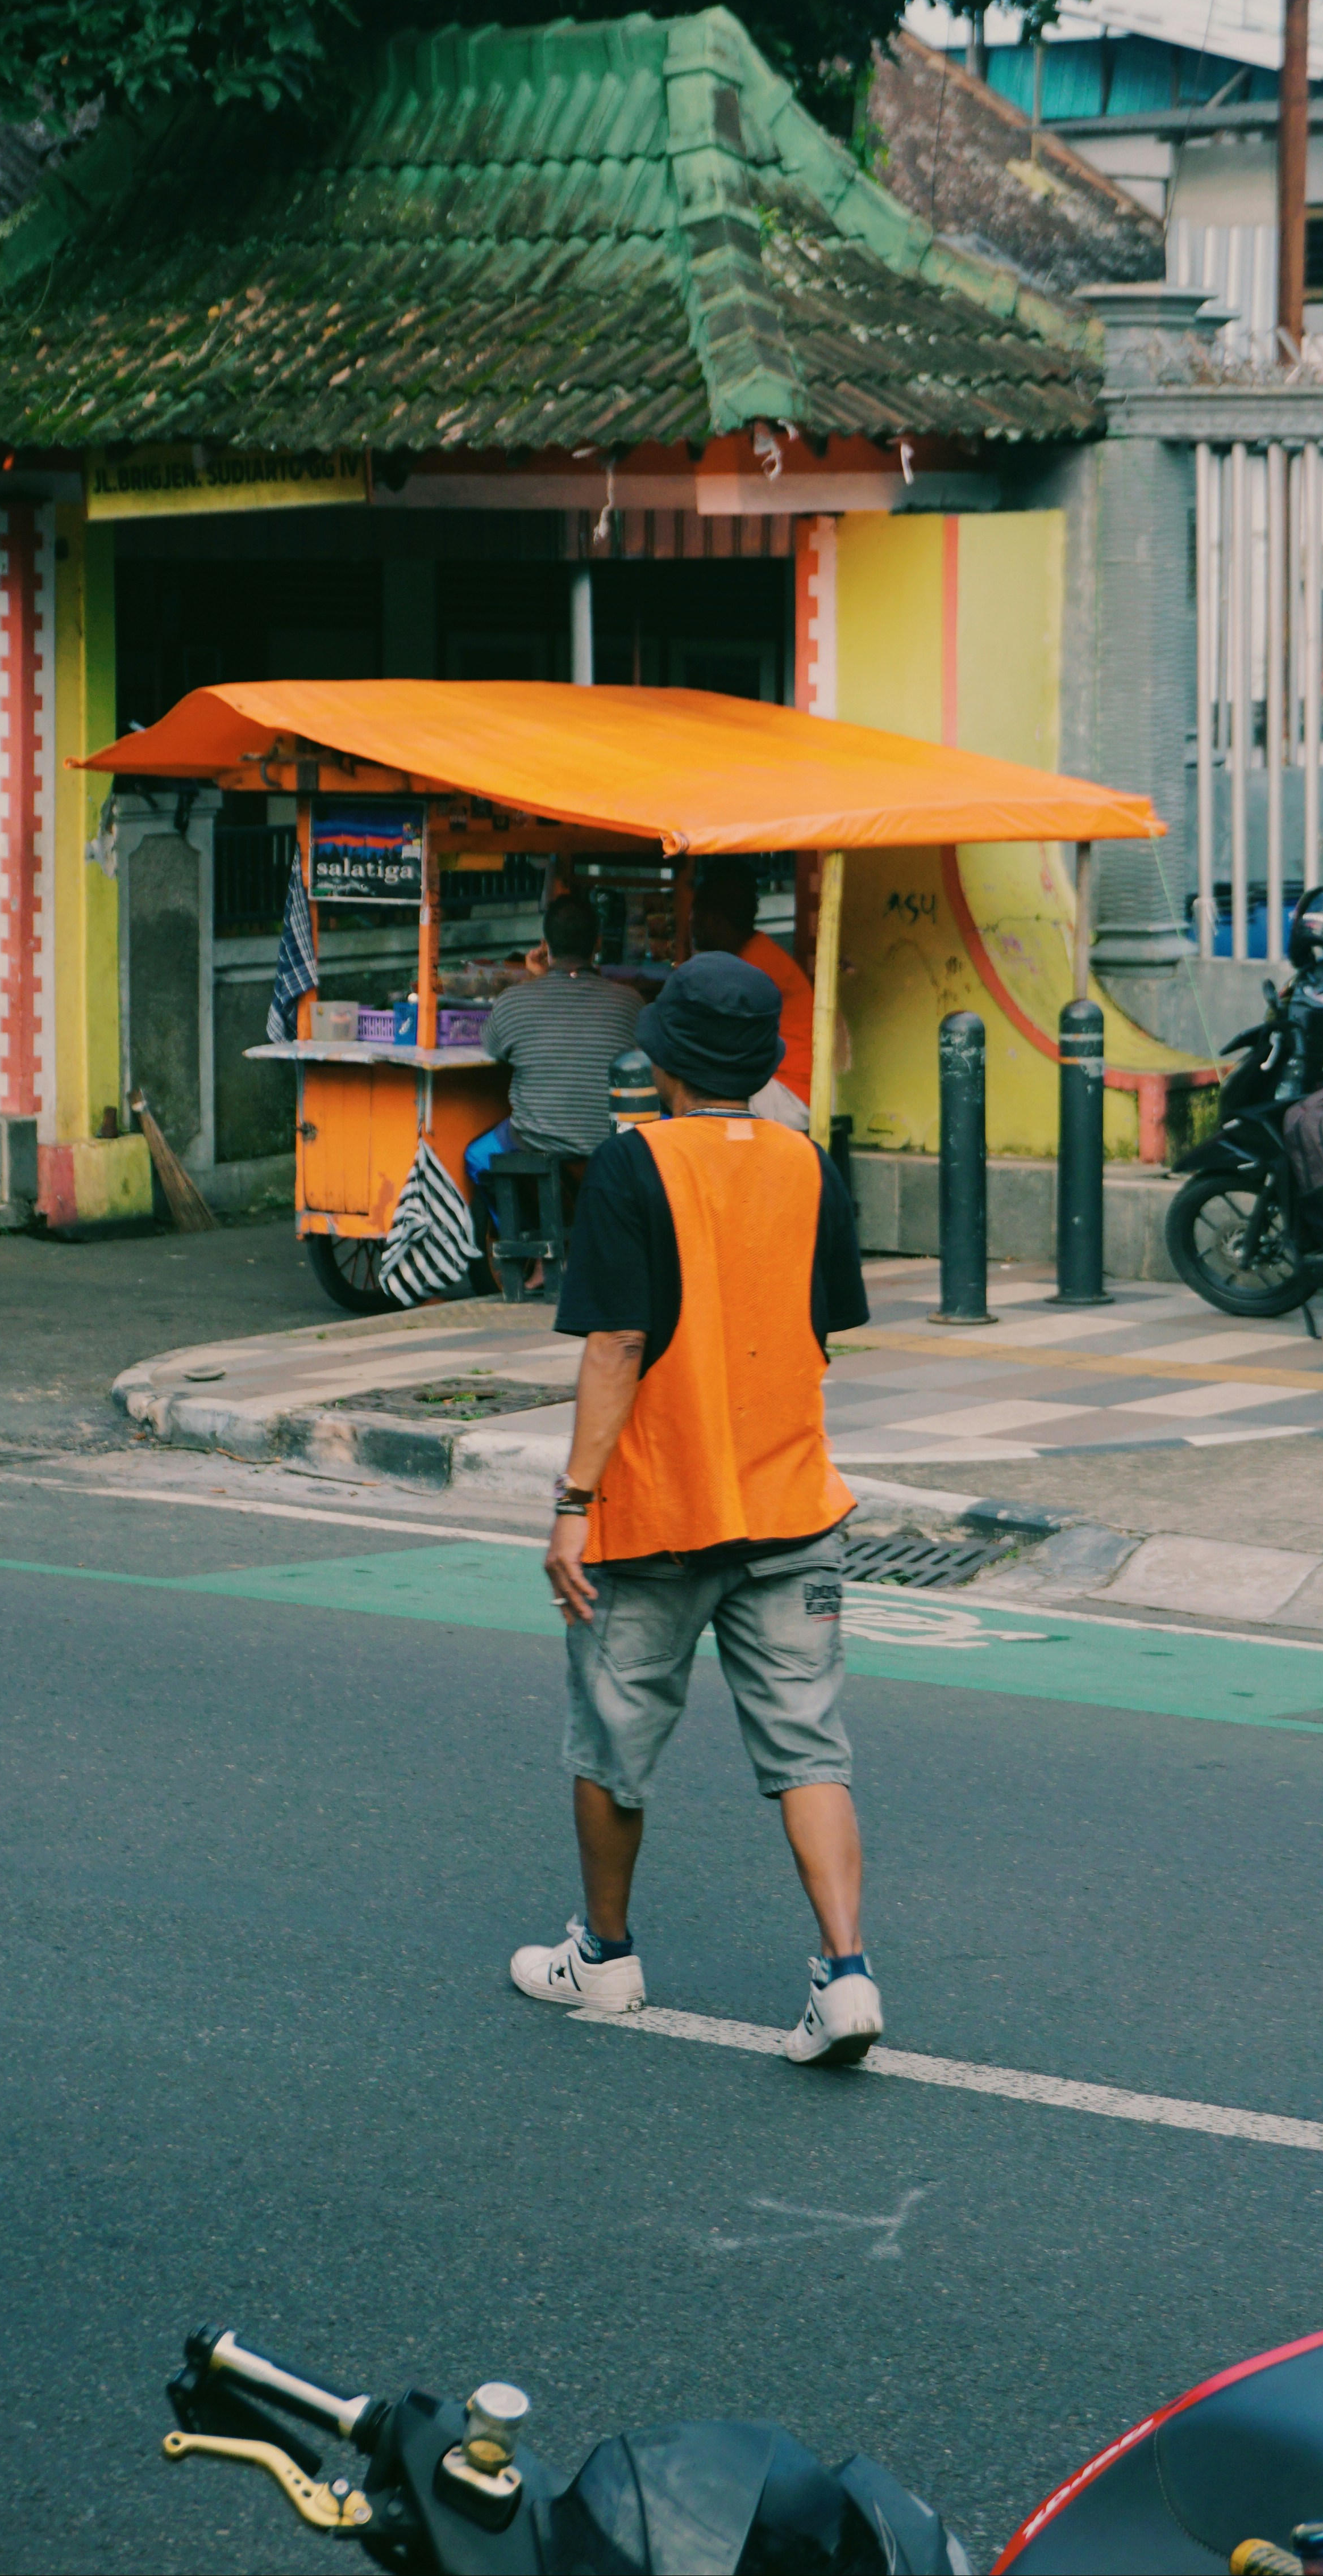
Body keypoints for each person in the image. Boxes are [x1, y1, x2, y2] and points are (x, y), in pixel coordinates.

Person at [509, 951, 880, 2068]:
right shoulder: (809, 1165)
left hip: (658, 1508)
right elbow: (822, 1328)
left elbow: (616, 1343)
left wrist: (571, 1502)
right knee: (808, 1749)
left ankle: (607, 1957)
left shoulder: (632, 1168)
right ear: (764, 1066)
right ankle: (845, 1973)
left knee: (612, 1741)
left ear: (660, 1059)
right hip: (791, 1502)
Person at [466, 891, 635, 1228]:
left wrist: (534, 981)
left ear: (544, 945)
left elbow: (492, 1046)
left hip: (536, 1144)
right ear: (597, 944)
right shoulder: (629, 1003)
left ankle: (527, 1247)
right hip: (611, 1147)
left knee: (477, 1157)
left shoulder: (514, 1001)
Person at [690, 860, 815, 1129]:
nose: (691, 924)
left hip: (790, 1094)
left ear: (712, 920)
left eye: (695, 915)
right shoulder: (755, 955)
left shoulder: (751, 967)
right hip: (785, 1088)